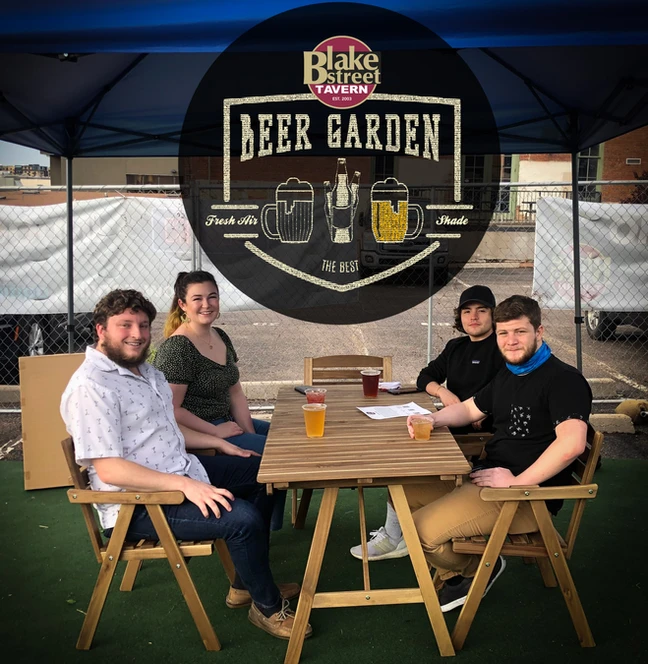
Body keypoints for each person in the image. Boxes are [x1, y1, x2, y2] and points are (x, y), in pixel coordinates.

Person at [60, 289, 311, 640]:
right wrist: (186, 486)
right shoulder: (92, 386)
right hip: (139, 504)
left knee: (263, 472)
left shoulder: (143, 371)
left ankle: (247, 585)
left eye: (143, 325)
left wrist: (217, 442)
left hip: (181, 470)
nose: (137, 334)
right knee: (243, 519)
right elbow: (110, 470)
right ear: (101, 330)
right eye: (125, 325)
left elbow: (165, 428)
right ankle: (267, 608)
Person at [404, 294, 592, 612]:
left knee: (419, 531)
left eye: (520, 331)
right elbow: (470, 409)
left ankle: (476, 571)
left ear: (539, 332)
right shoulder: (510, 373)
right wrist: (433, 419)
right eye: (504, 333)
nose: (511, 340)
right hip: (489, 477)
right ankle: (459, 572)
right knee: (405, 492)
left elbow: (572, 444)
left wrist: (517, 482)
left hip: (525, 498)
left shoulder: (563, 380)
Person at [350, 285, 504, 562]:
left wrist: (482, 410)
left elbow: (507, 390)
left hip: (478, 437)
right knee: (397, 440)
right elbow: (425, 377)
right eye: (467, 311)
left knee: (403, 460)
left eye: (482, 311)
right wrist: (443, 392)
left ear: (494, 315)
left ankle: (399, 534)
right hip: (449, 424)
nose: (473, 317)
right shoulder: (456, 347)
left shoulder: (503, 347)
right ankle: (398, 533)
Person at [153, 270, 286, 530]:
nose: (206, 304)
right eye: (197, 299)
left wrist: (248, 431)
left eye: (212, 297)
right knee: (275, 455)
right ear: (182, 305)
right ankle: (256, 527)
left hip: (226, 420)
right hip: (198, 431)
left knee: (285, 442)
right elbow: (171, 410)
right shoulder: (177, 348)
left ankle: (270, 524)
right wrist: (215, 431)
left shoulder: (221, 336)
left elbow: (235, 392)